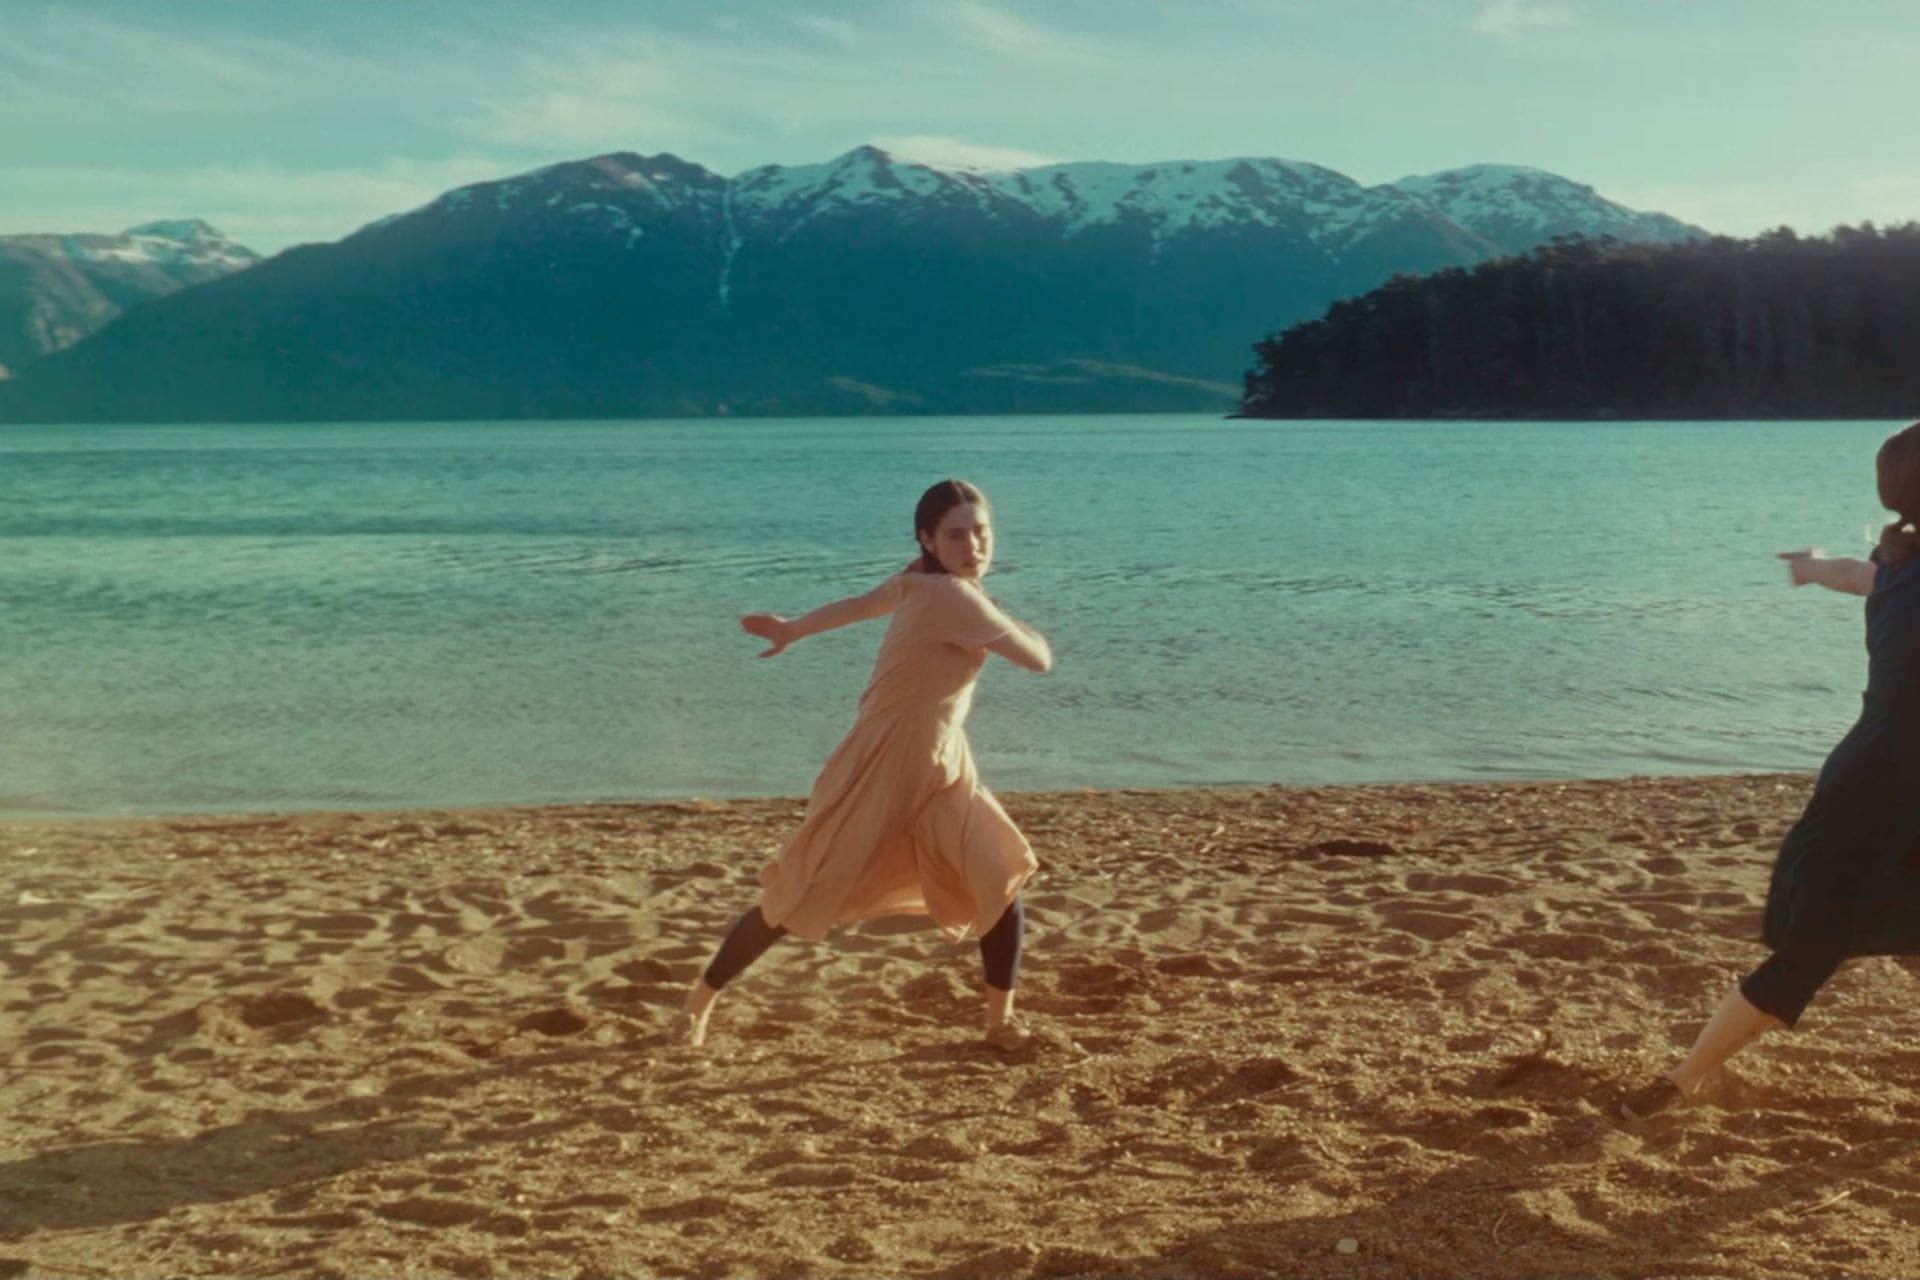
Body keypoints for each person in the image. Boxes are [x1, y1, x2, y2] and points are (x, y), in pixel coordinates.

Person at [679, 479, 1052, 1051]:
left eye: (981, 532)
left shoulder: (919, 581)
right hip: (879, 766)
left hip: (943, 768)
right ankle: (698, 1003)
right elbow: (1038, 660)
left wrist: (793, 629)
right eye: (956, 535)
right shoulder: (950, 597)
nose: (974, 545)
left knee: (997, 872)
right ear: (927, 539)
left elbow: (860, 607)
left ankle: (1000, 1023)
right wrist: (1000, 616)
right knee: (800, 890)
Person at [1622, 421, 1920, 1119]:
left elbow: (1855, 576)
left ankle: (1681, 1081)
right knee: (1812, 947)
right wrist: (1818, 569)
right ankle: (1680, 1081)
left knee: (1831, 940)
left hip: (1871, 772)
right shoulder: (1900, 568)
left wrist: (1810, 566)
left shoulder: (1897, 566)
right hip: (1876, 792)